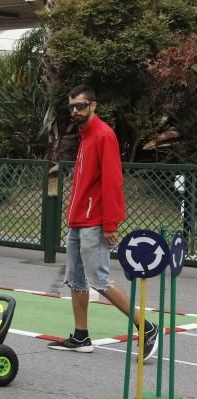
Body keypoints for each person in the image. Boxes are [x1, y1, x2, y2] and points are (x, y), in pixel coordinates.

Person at [49, 86, 159, 358]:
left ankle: (145, 326)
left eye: (81, 105)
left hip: (94, 221)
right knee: (75, 279)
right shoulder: (85, 136)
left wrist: (111, 223)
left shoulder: (103, 135)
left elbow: (113, 182)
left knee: (99, 279)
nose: (76, 111)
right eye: (72, 106)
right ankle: (81, 336)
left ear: (93, 105)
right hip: (78, 220)